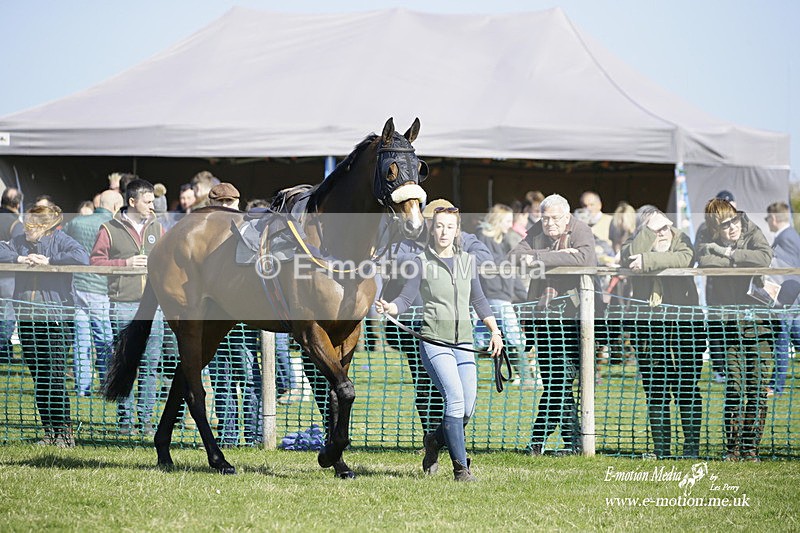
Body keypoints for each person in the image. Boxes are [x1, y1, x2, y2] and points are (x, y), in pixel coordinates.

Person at [376, 204, 503, 482]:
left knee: (467, 408)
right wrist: (391, 308)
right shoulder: (419, 261)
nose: (444, 231)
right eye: (439, 226)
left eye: (450, 226)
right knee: (455, 400)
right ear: (432, 230)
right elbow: (406, 299)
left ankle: (434, 440)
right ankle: (461, 470)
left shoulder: (468, 261)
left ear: (457, 230)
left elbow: (479, 300)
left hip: (464, 343)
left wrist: (495, 331)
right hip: (435, 341)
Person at [509, 193, 598, 456]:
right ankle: (574, 444)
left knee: (560, 382)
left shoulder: (581, 230)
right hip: (544, 318)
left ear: (567, 216)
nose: (549, 224)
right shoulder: (539, 229)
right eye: (545, 218)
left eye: (554, 218)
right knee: (556, 384)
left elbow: (584, 258)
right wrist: (555, 254)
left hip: (572, 319)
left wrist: (538, 258)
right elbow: (515, 254)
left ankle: (537, 441)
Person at [0, 204, 89, 447]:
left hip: (55, 319)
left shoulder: (61, 240)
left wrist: (49, 260)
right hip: (27, 318)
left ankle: (65, 432)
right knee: (39, 377)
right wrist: (20, 257)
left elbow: (82, 256)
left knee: (54, 377)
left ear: (46, 227)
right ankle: (49, 431)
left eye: (32, 224)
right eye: (27, 223)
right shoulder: (19, 242)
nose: (26, 228)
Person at [620, 207, 705, 458]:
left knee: (687, 388)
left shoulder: (682, 238)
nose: (662, 232)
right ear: (643, 230)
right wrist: (647, 235)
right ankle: (662, 450)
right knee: (656, 390)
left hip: (685, 327)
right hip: (648, 331)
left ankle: (691, 450)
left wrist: (647, 261)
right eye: (655, 229)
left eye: (665, 226)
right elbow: (629, 255)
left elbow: (684, 259)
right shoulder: (634, 242)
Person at [696, 198, 773, 461]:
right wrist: (734, 260)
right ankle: (732, 449)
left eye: (734, 221)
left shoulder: (752, 229)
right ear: (715, 228)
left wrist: (728, 254)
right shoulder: (705, 235)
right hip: (728, 325)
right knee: (736, 386)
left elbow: (764, 257)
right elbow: (705, 261)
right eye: (724, 225)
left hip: (760, 324)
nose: (732, 228)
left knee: (758, 386)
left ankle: (751, 448)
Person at [91, 179, 164, 436]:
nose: (152, 205)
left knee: (150, 366)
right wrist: (125, 264)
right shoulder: (108, 228)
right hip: (122, 304)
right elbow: (96, 262)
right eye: (148, 201)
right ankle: (124, 423)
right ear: (132, 202)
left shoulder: (158, 227)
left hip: (154, 307)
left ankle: (146, 423)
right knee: (125, 362)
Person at [63, 190, 124, 395]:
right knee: (104, 339)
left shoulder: (76, 223)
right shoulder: (116, 226)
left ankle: (82, 388)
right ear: (115, 207)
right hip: (101, 289)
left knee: (81, 340)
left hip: (77, 287)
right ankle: (107, 384)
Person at [475, 204, 532, 386]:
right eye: (507, 221)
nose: (510, 224)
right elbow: (487, 264)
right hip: (493, 294)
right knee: (512, 335)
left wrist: (522, 294)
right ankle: (527, 378)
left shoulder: (505, 240)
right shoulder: (482, 238)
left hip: (503, 295)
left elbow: (511, 271)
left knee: (486, 338)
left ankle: (513, 375)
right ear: (498, 221)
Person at [696, 190, 739, 385]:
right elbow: (702, 253)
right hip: (715, 288)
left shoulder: (741, 226)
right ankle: (719, 368)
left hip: (739, 290)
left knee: (736, 329)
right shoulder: (705, 229)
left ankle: (736, 368)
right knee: (715, 329)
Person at [765, 201, 800, 396]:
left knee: (780, 343)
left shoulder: (786, 238)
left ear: (774, 218)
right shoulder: (790, 236)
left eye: (767, 218)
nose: (767, 221)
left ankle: (775, 387)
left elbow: (789, 273)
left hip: (787, 301)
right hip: (792, 301)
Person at [0, 187, 24, 364]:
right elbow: (20, 248)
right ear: (17, 204)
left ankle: (6, 352)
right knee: (7, 315)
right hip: (7, 277)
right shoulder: (15, 224)